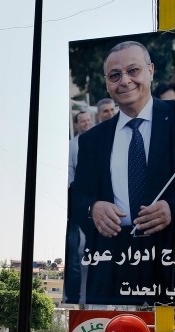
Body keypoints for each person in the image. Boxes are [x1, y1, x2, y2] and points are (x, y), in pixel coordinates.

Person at [69, 40, 175, 305]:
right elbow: (76, 197)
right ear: (107, 83)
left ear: (151, 71)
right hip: (116, 268)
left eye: (133, 70)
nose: (125, 81)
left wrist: (174, 207)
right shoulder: (92, 140)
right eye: (115, 75)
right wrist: (93, 208)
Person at [65, 110, 94, 302]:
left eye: (88, 120)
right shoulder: (72, 145)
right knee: (72, 244)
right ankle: (73, 294)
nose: (86, 123)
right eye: (82, 121)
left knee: (95, 242)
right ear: (76, 125)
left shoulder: (101, 140)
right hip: (77, 199)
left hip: (98, 198)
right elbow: (69, 172)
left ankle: (95, 286)